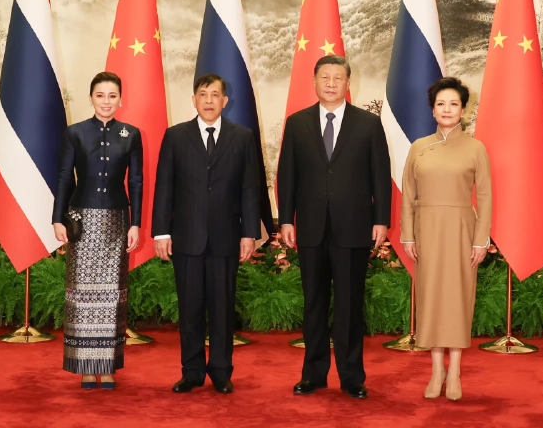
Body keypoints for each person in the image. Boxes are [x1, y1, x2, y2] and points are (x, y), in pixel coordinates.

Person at [277, 55, 392, 400]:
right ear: (314, 82)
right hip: (310, 228)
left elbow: (380, 177)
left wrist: (381, 219)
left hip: (354, 227)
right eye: (324, 77)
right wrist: (285, 218)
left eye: (337, 78)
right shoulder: (297, 124)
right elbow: (288, 176)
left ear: (347, 84)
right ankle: (312, 374)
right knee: (313, 303)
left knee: (349, 304)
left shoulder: (368, 124)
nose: (330, 83)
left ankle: (351, 376)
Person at [152, 73, 263, 395]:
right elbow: (165, 188)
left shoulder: (241, 137)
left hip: (226, 238)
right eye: (204, 94)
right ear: (194, 100)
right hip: (187, 238)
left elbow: (249, 189)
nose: (210, 100)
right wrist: (161, 232)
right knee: (190, 309)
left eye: (216, 95)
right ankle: (192, 372)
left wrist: (249, 233)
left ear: (225, 101)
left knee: (222, 308)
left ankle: (221, 372)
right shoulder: (176, 136)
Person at [399, 77, 492, 402]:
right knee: (431, 299)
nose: (447, 109)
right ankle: (436, 369)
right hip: (426, 231)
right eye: (441, 104)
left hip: (461, 232)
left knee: (457, 300)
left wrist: (481, 241)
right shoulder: (419, 147)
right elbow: (408, 197)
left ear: (463, 109)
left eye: (454, 104)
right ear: (433, 109)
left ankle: (455, 373)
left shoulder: (475, 147)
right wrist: (407, 235)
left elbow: (485, 195)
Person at [52, 71, 143, 391]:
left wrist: (136, 223)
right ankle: (85, 368)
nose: (107, 102)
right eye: (100, 95)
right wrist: (57, 218)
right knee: (83, 294)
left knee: (111, 296)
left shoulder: (131, 134)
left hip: (117, 222)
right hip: (82, 221)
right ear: (91, 98)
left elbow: (136, 182)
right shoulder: (75, 133)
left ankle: (107, 368)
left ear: (121, 99)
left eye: (112, 96)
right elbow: (64, 176)